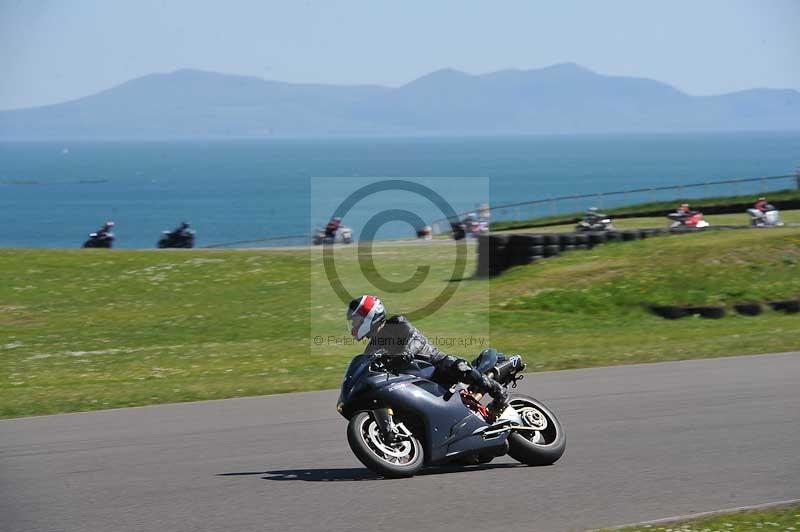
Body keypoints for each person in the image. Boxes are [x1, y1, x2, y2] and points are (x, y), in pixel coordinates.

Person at [346, 295, 509, 413]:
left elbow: (415, 339)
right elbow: (368, 367)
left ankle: (497, 390)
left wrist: (407, 353)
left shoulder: (397, 323)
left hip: (434, 365)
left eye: (356, 320)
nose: (354, 325)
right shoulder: (371, 348)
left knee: (458, 366)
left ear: (369, 316)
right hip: (410, 381)